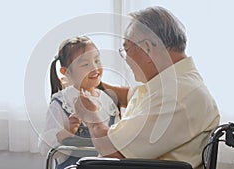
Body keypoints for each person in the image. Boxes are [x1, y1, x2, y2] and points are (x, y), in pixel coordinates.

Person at [74, 6, 220, 169]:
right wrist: (95, 84)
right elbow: (131, 96)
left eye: (126, 50)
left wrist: (91, 117)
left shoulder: (176, 95)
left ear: (147, 48)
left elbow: (113, 151)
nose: (126, 59)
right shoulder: (175, 83)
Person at [38, 36, 120, 169]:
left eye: (97, 60)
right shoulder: (62, 102)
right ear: (66, 72)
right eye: (85, 64)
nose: (94, 67)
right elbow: (43, 147)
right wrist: (67, 131)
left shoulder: (107, 101)